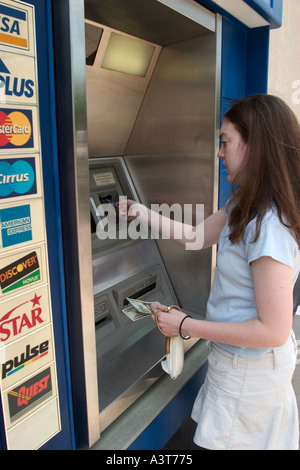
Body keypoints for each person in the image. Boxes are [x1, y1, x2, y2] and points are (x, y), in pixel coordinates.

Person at [118, 94, 300, 450]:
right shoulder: (245, 203)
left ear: (254, 147)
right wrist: (140, 212)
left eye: (225, 142)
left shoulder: (269, 226)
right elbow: (195, 236)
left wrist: (185, 326)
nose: (219, 152)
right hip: (240, 364)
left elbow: (274, 330)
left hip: (250, 372)